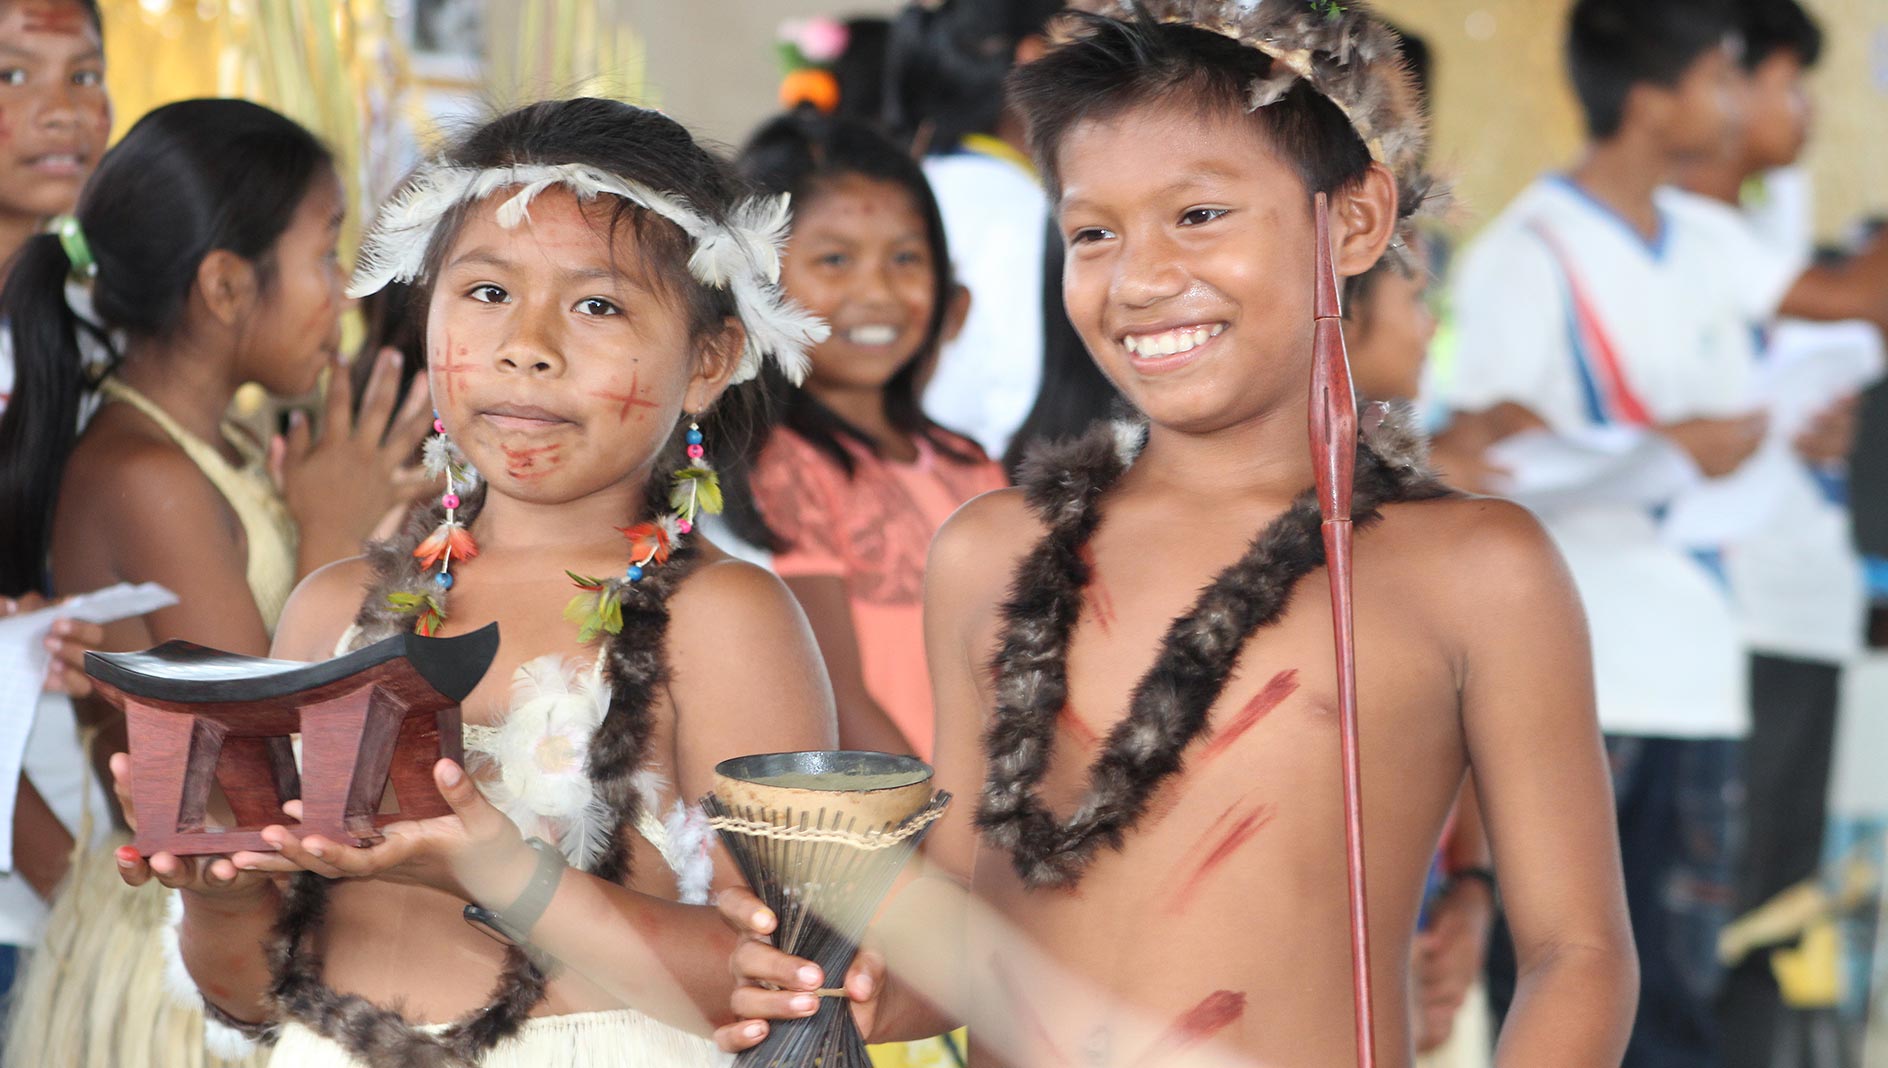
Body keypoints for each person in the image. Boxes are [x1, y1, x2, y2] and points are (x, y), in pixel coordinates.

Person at [721, 4, 1636, 1066]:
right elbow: (970, 927)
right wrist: (842, 984)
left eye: (1197, 215)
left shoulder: (1475, 569)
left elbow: (1578, 952)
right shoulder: (991, 553)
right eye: (1092, 233)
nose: (1141, 278)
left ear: (1354, 219)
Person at [114, 96, 839, 1067]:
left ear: (710, 359)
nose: (526, 343)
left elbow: (782, 981)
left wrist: (496, 866)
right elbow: (258, 992)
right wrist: (223, 891)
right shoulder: (332, 610)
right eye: (487, 293)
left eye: (598, 304)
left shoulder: (723, 622)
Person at [1433, 1, 1888, 1063]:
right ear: (1649, 101)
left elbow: (1851, 300)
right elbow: (1484, 454)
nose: (1736, 104)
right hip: (1575, 677)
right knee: (1560, 984)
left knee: (1679, 992)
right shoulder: (1528, 252)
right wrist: (1657, 439)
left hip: (1693, 663)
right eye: (1720, 80)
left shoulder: (1709, 240)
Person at [0, 98, 430, 1068]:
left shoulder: (221, 443)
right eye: (326, 255)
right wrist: (331, 531)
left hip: (239, 920)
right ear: (228, 286)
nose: (346, 292)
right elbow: (260, 749)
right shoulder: (147, 476)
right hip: (176, 958)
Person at [1675, 1, 1881, 1062]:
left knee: (1768, 914)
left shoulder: (1758, 218)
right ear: (1715, 80)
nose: (1802, 111)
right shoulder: (1684, 230)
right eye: (1785, 85)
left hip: (1800, 614)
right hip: (1733, 624)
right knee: (1716, 911)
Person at [736, 110, 1005, 760]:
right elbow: (838, 699)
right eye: (835, 259)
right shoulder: (790, 466)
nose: (878, 291)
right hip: (909, 829)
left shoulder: (969, 463)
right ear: (756, 282)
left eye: (906, 257)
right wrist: (939, 843)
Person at [0, 0, 109, 1020]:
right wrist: (67, 878)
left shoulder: (95, 325)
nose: (62, 110)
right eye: (12, 77)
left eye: (84, 74)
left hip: (82, 871)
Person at [886, 0, 1061, 459]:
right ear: (1034, 56)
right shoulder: (1017, 207)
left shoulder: (916, 180)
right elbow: (1018, 381)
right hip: (984, 474)